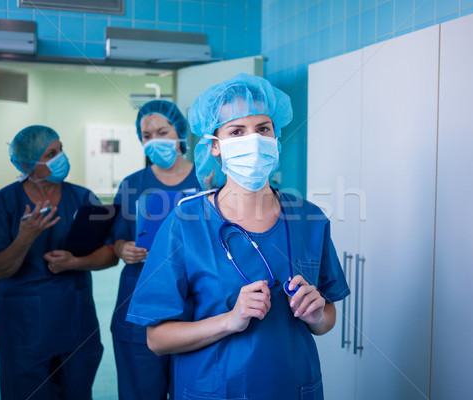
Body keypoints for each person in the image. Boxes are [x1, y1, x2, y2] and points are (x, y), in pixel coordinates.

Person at [125, 74, 350, 400]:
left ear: (276, 137)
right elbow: (158, 339)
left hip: (293, 387)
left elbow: (326, 318)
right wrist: (230, 320)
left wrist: (317, 316)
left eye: (263, 129)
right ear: (214, 146)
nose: (254, 140)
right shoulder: (186, 223)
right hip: (215, 390)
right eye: (236, 131)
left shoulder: (310, 218)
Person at [0, 125, 117, 400]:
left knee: (76, 392)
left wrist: (75, 262)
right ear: (27, 165)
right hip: (25, 330)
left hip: (76, 322)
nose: (61, 158)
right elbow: (0, 268)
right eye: (51, 154)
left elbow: (110, 256)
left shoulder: (82, 197)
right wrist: (25, 237)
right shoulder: (6, 201)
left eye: (60, 149)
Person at [111, 100, 201, 400]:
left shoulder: (207, 180)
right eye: (147, 136)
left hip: (197, 302)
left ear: (180, 133)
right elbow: (115, 239)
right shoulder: (132, 184)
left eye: (162, 131)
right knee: (141, 390)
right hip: (141, 299)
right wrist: (123, 248)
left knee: (194, 386)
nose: (155, 141)